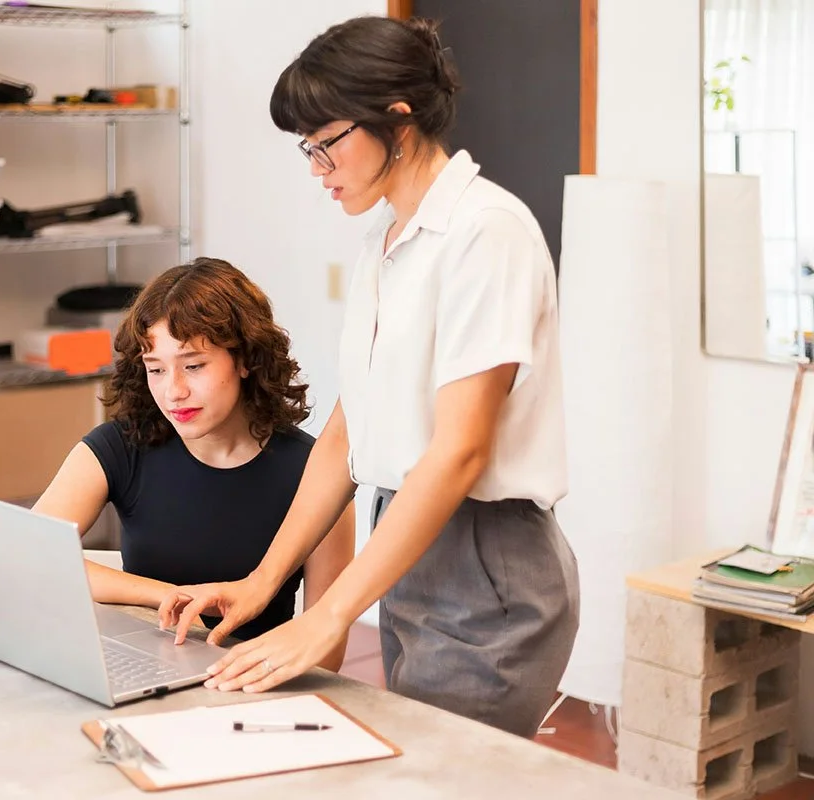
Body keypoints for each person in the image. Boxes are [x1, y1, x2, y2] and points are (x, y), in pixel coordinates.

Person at [158, 15, 580, 738]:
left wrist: (330, 614)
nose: (318, 168)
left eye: (328, 144)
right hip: (407, 545)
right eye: (307, 149)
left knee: (445, 778)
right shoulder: (382, 246)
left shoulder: (486, 233)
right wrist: (262, 586)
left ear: (398, 119)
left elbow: (460, 453)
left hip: (486, 559)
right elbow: (349, 434)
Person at [33, 257, 355, 670]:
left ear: (245, 360)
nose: (174, 391)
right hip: (141, 670)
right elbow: (32, 554)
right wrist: (166, 595)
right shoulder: (119, 446)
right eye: (156, 370)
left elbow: (326, 654)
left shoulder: (316, 473)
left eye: (194, 366)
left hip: (252, 685)